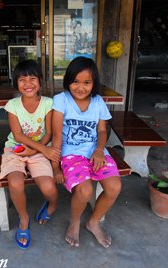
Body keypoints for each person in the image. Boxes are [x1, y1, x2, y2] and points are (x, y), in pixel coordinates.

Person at [51, 56, 121, 248]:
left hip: (95, 152)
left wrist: (99, 150)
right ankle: (75, 222)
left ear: (94, 83)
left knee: (114, 187)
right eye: (75, 81)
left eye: (87, 82)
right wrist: (55, 168)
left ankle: (93, 222)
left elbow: (102, 130)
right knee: (85, 189)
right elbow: (56, 137)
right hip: (71, 154)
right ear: (68, 81)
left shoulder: (98, 102)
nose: (80, 87)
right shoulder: (61, 100)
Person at [0, 60, 61, 250]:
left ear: (40, 81)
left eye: (32, 78)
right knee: (15, 183)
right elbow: (17, 135)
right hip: (15, 149)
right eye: (22, 79)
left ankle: (52, 206)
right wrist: (35, 150)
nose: (28, 84)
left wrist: (35, 151)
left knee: (50, 189)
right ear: (16, 83)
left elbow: (49, 133)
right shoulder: (13, 105)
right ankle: (24, 219)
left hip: (40, 148)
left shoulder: (48, 103)